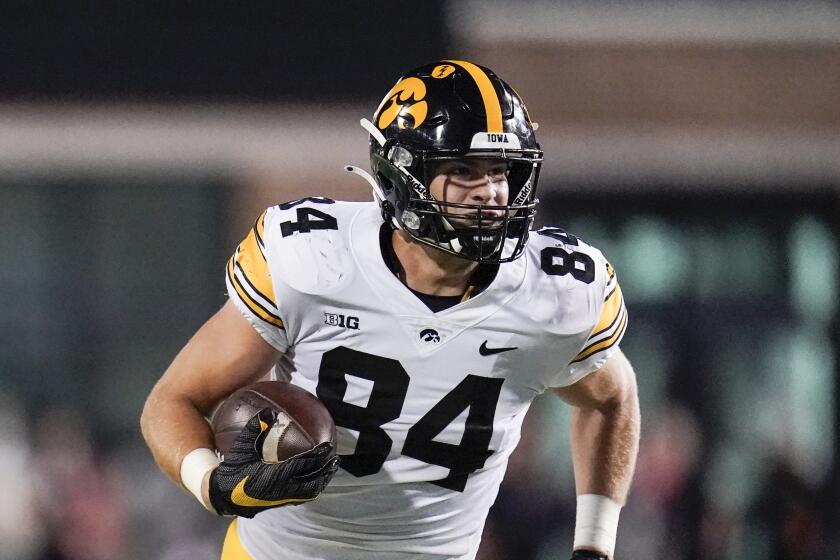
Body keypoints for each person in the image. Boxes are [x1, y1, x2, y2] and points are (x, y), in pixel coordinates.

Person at [141, 59, 640, 560]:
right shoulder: (314, 261)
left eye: (500, 170)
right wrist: (213, 484)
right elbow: (173, 401)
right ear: (403, 173)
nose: (490, 192)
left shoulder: (554, 293)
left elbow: (612, 400)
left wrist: (594, 546)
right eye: (463, 170)